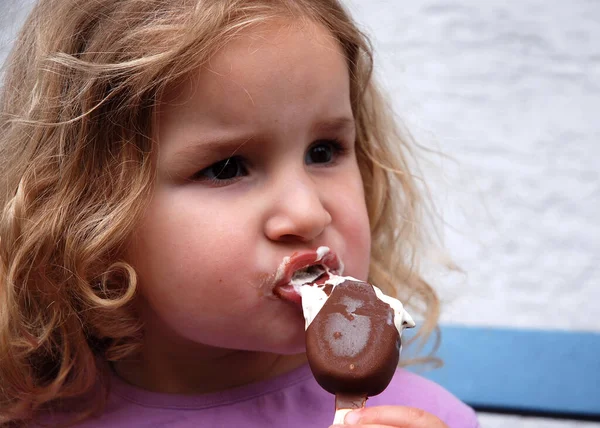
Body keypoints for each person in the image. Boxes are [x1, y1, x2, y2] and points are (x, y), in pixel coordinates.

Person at [0, 0, 480, 427]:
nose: (307, 213)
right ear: (89, 214)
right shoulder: (30, 415)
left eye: (323, 151)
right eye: (227, 167)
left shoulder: (422, 419)